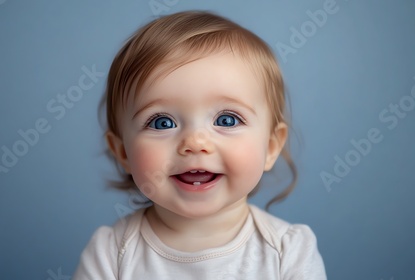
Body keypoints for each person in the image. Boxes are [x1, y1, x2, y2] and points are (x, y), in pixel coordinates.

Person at [74, 10, 326, 280]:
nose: (195, 143)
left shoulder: (288, 252)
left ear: (271, 147)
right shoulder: (111, 253)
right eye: (162, 123)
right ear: (123, 152)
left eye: (227, 120)